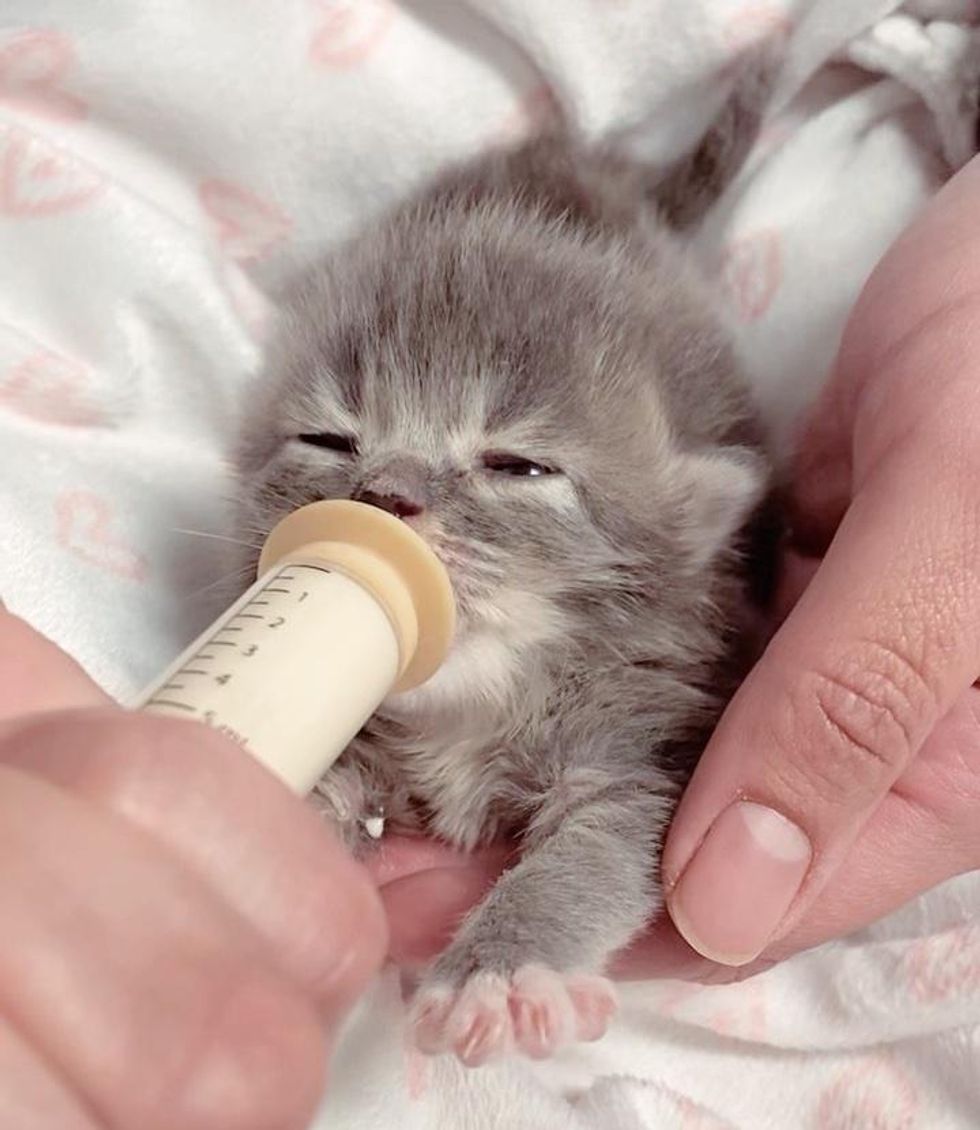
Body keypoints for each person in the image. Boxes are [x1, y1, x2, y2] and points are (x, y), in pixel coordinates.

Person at [3, 153, 980, 1127]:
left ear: (682, 527)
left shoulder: (639, 653)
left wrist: (514, 950)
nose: (389, 489)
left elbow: (620, 809)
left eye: (512, 465)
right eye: (333, 443)